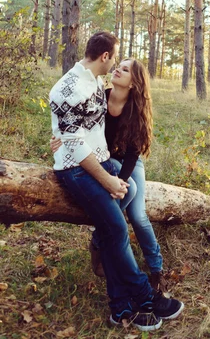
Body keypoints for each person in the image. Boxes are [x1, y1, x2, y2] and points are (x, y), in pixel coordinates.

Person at [49, 31, 184, 331]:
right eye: (117, 60)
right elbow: (75, 145)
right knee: (118, 228)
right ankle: (145, 295)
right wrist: (108, 180)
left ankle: (120, 307)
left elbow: (90, 130)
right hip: (77, 169)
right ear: (106, 56)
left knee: (120, 217)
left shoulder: (97, 82)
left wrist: (114, 174)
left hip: (104, 161)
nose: (117, 69)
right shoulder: (66, 89)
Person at [52, 58, 166, 291]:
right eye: (118, 66)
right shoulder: (99, 96)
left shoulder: (136, 109)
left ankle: (156, 269)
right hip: (103, 158)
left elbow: (134, 154)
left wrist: (120, 180)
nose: (117, 70)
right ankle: (102, 238)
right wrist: (60, 139)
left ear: (134, 83)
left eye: (125, 70)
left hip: (129, 163)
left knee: (138, 215)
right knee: (128, 194)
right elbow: (74, 125)